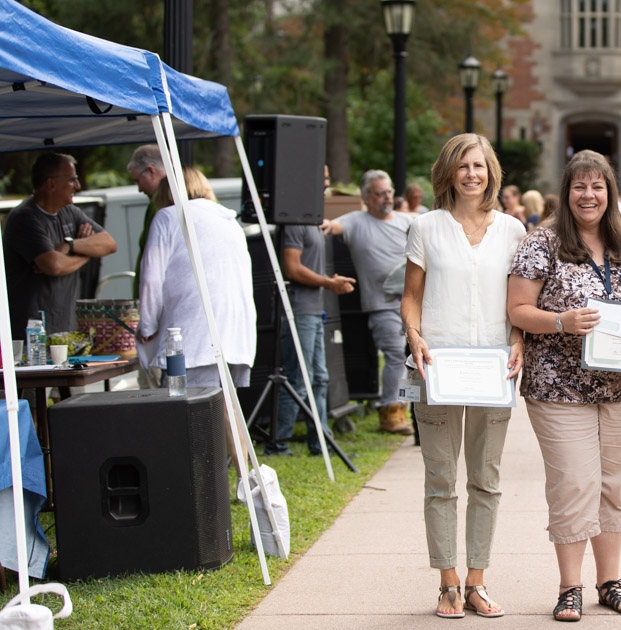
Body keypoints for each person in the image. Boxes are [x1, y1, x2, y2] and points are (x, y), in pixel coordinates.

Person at [508, 150, 621, 622]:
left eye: (597, 186)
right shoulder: (543, 243)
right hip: (559, 389)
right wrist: (562, 321)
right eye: (580, 186)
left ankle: (610, 582)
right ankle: (569, 586)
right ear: (566, 191)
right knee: (574, 482)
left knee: (614, 486)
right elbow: (517, 309)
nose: (589, 195)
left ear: (610, 191)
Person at [401, 134, 526, 620]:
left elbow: (519, 300)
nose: (471, 174)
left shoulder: (513, 231)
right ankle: (447, 582)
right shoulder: (426, 227)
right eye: (462, 166)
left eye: (479, 166)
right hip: (437, 366)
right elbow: (411, 295)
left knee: (486, 479)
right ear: (448, 173)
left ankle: (477, 580)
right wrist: (414, 335)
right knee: (439, 478)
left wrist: (518, 339)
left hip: (495, 368)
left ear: (490, 172)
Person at [137, 167, 256, 387]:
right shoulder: (228, 219)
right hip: (237, 336)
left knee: (188, 416)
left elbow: (151, 279)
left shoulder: (168, 217)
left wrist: (147, 327)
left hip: (192, 339)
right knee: (223, 414)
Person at [267, 174, 357, 457]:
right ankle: (277, 444)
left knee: (319, 378)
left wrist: (328, 281)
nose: (327, 184)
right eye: (323, 178)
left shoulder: (313, 221)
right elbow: (291, 269)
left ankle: (320, 442)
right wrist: (329, 283)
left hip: (314, 311)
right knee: (297, 379)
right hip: (298, 312)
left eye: (329, 178)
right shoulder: (294, 221)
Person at [327, 171, 414, 435]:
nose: (387, 197)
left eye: (389, 192)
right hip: (382, 304)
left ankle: (406, 407)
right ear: (366, 197)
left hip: (414, 303)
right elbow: (330, 226)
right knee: (396, 353)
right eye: (380, 193)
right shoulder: (355, 221)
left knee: (411, 358)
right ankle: (390, 410)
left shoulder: (407, 221)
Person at [4, 152, 117, 335]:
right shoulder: (24, 217)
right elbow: (54, 265)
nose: (78, 186)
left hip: (66, 330)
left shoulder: (70, 212)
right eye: (72, 179)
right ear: (51, 184)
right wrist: (86, 253)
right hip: (32, 336)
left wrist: (69, 247)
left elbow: (109, 243)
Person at [127, 144, 166, 298]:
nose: (139, 189)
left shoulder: (160, 203)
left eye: (137, 181)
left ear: (151, 171)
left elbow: (154, 262)